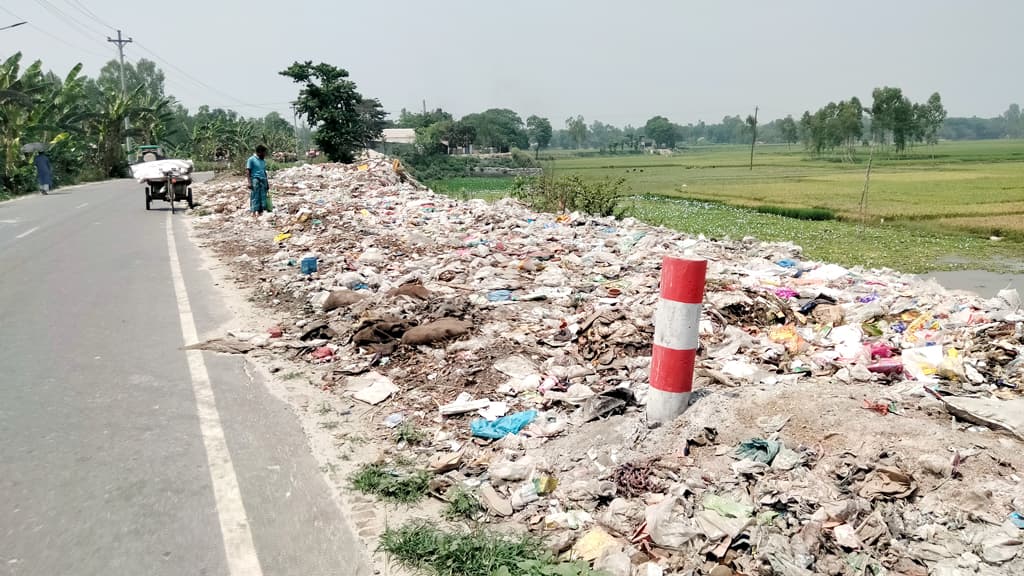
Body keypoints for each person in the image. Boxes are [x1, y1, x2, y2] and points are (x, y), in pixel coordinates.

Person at [246, 144, 269, 217]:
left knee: (263, 195)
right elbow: (248, 171)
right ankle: (254, 210)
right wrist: (249, 182)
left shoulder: (263, 160)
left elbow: (264, 171)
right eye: (264, 152)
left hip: (263, 179)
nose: (265, 154)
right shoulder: (251, 159)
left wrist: (267, 183)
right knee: (255, 195)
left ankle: (262, 209)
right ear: (259, 152)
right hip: (255, 179)